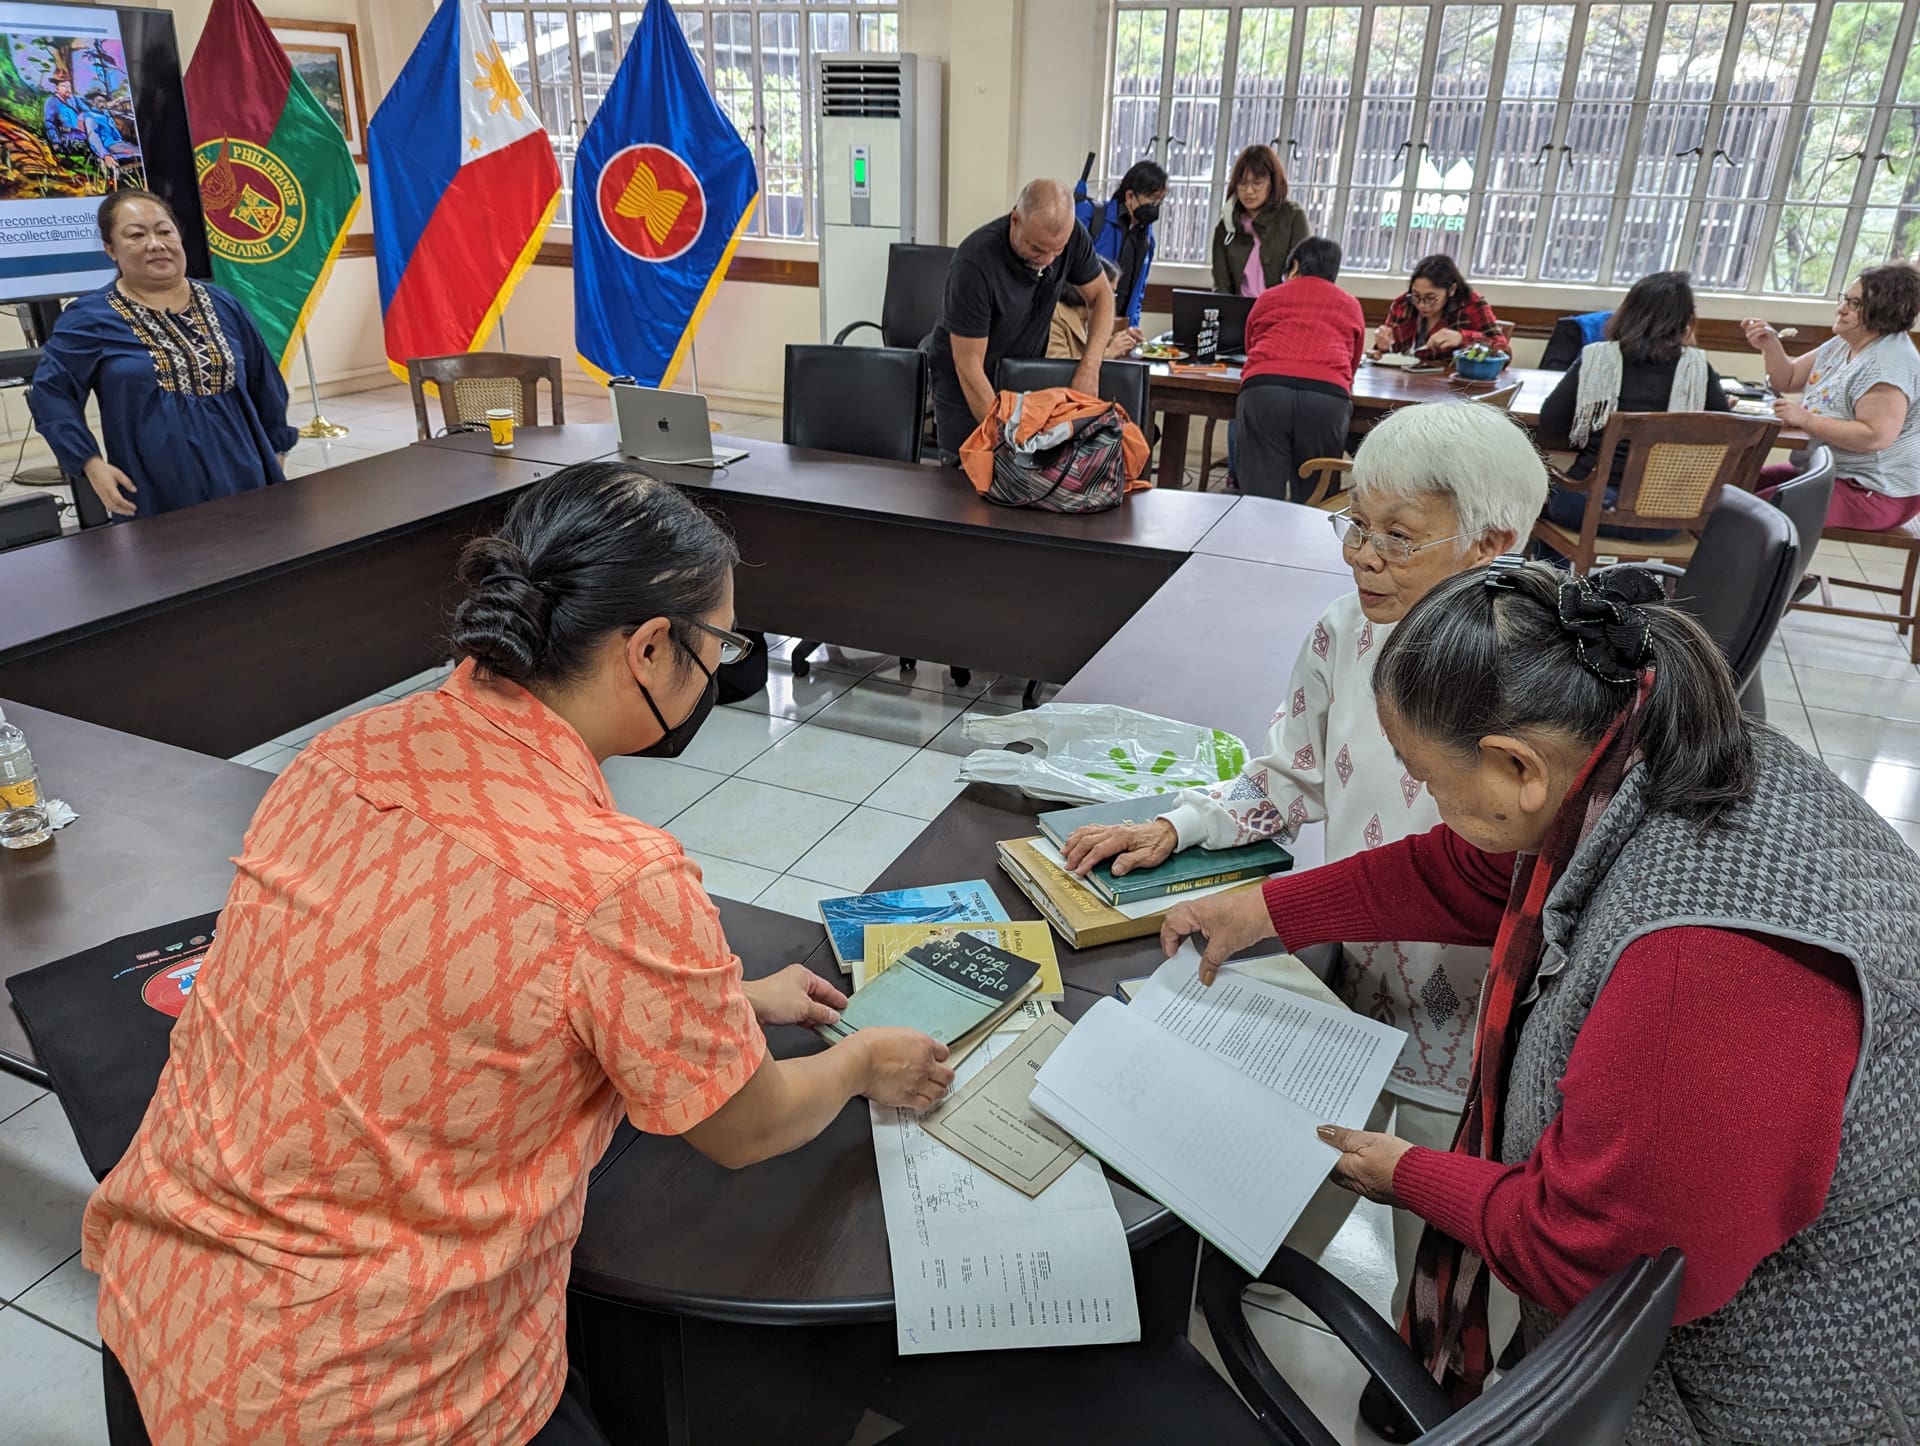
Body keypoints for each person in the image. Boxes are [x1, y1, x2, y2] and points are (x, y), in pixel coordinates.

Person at [82, 462, 955, 1444]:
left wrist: (727, 998)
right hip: (368, 1394)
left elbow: (446, 970)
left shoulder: (346, 752)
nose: (719, 671)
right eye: (720, 645)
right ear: (653, 648)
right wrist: (861, 1064)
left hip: (163, 1329)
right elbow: (742, 1128)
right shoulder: (614, 875)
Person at [1156, 560, 1920, 1442]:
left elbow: (1601, 1254)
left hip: (1766, 1392)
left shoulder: (1703, 967)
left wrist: (1399, 1170)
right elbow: (1475, 875)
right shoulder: (1642, 748)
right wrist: (1260, 909)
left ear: (1517, 765)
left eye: (1429, 781)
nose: (1434, 809)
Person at [1064, 403, 1548, 1344]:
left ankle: (1437, 1389)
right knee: (1296, 1181)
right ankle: (1244, 1312)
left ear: (1492, 541)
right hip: (1353, 983)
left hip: (1482, 1016)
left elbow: (1481, 875)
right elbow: (1289, 773)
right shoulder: (1345, 629)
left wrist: (1274, 905)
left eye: (1396, 538)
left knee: (1445, 1264)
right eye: (1356, 525)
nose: (1362, 556)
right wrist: (1182, 825)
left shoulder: (1536, 675)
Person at [28, 190, 297, 520]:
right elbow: (51, 392)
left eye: (164, 230)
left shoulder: (224, 304)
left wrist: (277, 448)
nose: (155, 243)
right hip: (156, 490)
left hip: (245, 478)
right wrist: (90, 463)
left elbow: (264, 381)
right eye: (136, 235)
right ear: (110, 249)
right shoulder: (89, 318)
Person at [1537, 270, 1732, 542]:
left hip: (1587, 507)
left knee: (1535, 495)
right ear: (1686, 321)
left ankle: (1556, 580)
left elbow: (1552, 421)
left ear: (1627, 311)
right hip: (1666, 517)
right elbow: (1724, 432)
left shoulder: (1597, 359)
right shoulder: (1697, 369)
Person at [926, 179, 1113, 460]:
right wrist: (1006, 440)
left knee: (1028, 480)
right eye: (1037, 249)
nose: (1048, 260)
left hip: (1021, 374)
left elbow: (1102, 296)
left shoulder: (1071, 237)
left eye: (1057, 250)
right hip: (966, 384)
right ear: (1015, 220)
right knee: (972, 475)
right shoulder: (975, 264)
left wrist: (1090, 366)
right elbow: (968, 366)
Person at [1744, 263, 1920, 530]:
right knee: (1734, 485)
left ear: (1884, 311)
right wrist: (1769, 345)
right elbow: (1788, 378)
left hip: (1874, 490)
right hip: (1828, 471)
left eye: (1854, 303)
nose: (1841, 309)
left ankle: (1763, 571)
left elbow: (1875, 436)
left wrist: (1807, 420)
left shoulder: (1889, 364)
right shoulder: (1845, 343)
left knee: (1755, 516)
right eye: (1845, 298)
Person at [1228, 236, 1366, 499]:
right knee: (1316, 493)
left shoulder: (1269, 297)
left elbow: (1251, 344)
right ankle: (1311, 538)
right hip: (1326, 398)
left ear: (1295, 264)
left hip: (1264, 391)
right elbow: (1353, 361)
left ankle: (1256, 539)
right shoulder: (1349, 304)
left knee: (1260, 493)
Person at [1075, 158, 1165, 331]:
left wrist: (1132, 327)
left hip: (1119, 328)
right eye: (1152, 201)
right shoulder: (1092, 217)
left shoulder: (1147, 239)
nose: (1156, 208)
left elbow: (1138, 292)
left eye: (1160, 202)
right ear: (1130, 196)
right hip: (1084, 326)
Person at [1209, 144, 1310, 298]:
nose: (1248, 191)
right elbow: (1222, 287)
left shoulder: (1293, 217)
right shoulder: (1226, 226)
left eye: (1257, 183)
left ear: (1272, 183)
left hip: (1281, 313)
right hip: (1240, 314)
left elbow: (1304, 278)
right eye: (1242, 183)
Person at [1369, 255, 1503, 362]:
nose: (1422, 304)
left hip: (1454, 387)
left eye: (1431, 298)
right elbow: (1385, 355)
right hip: (1405, 384)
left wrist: (1462, 338)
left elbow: (1502, 349)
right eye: (1416, 296)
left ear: (1451, 290)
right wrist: (1382, 346)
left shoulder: (1471, 305)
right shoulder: (1403, 304)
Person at [1048, 255, 1139, 361]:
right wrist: (1109, 353)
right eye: (1109, 293)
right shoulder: (1055, 316)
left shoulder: (1087, 317)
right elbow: (1057, 367)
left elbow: (1091, 344)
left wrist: (1123, 342)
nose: (1111, 301)